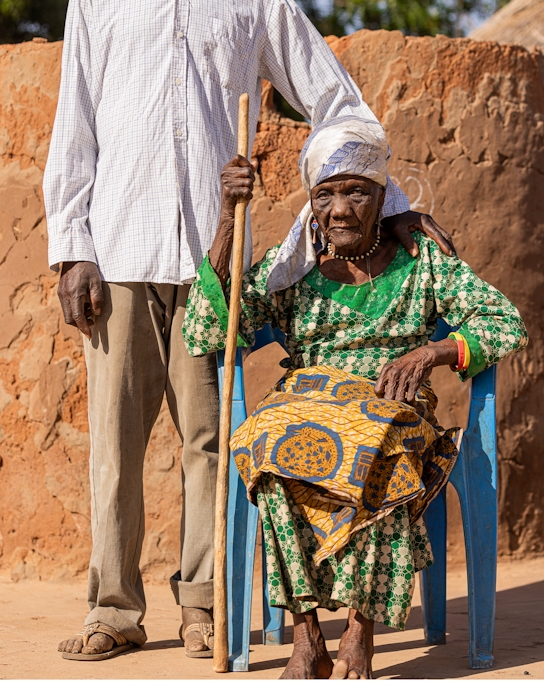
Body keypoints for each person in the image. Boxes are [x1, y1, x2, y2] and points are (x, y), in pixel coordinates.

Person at [43, 0, 455, 661]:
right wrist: (70, 247)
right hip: (116, 252)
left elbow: (336, 106)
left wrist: (395, 202)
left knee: (207, 444)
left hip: (213, 267)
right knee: (116, 453)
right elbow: (73, 129)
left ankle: (202, 608)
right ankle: (113, 612)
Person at [183, 119, 526, 678]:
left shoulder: (422, 258)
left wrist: (431, 353)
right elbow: (204, 331)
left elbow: (504, 322)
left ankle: (360, 631)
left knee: (380, 448)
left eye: (355, 192)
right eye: (325, 194)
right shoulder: (291, 269)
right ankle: (307, 635)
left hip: (393, 411)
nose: (339, 209)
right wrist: (226, 219)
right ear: (311, 203)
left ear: (382, 195)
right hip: (306, 408)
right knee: (267, 450)